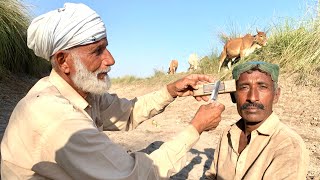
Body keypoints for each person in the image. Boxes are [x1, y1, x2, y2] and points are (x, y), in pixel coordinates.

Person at [0, 3, 225, 179]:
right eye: (97, 51)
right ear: (63, 61)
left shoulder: (83, 92)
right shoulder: (56, 116)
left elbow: (127, 113)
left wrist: (172, 90)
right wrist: (196, 128)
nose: (111, 60)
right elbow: (138, 176)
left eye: (106, 47)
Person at [205, 61, 309, 179]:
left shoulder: (288, 145)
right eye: (244, 87)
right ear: (233, 96)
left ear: (276, 95)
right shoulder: (227, 134)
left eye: (262, 87)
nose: (252, 98)